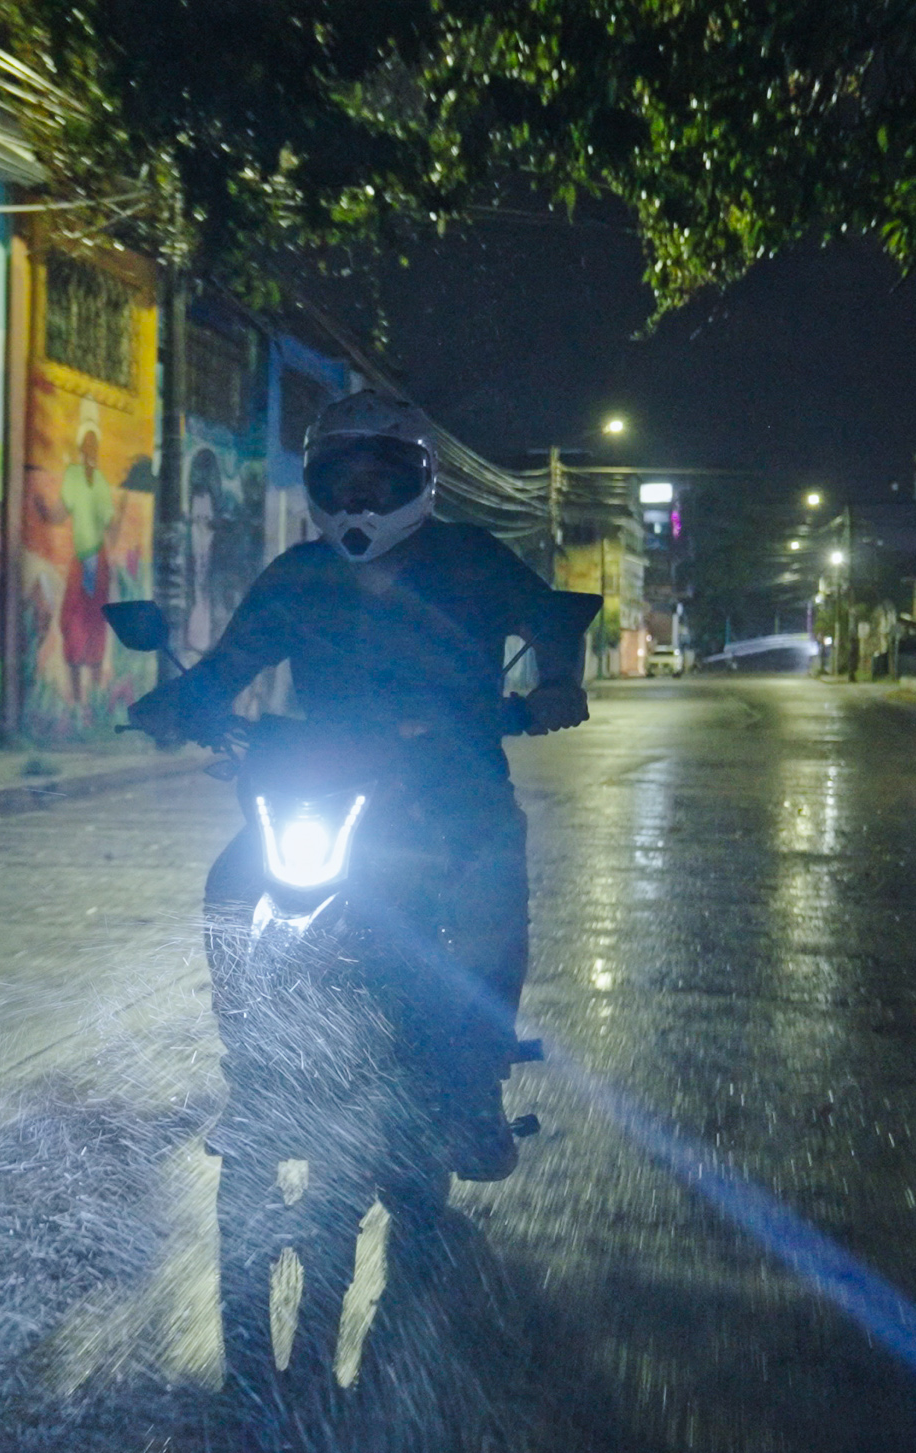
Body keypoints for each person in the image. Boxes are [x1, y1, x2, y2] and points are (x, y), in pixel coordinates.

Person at [126, 391, 590, 1178]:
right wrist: (179, 701)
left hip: (453, 776)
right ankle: (251, 1075)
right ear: (317, 483)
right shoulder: (300, 574)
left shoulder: (472, 560)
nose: (360, 499)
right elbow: (231, 664)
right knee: (233, 884)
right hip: (327, 775)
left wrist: (554, 688)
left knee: (490, 898)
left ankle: (474, 1089)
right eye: (342, 479)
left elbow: (550, 624)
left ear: (420, 483)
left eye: (379, 480)